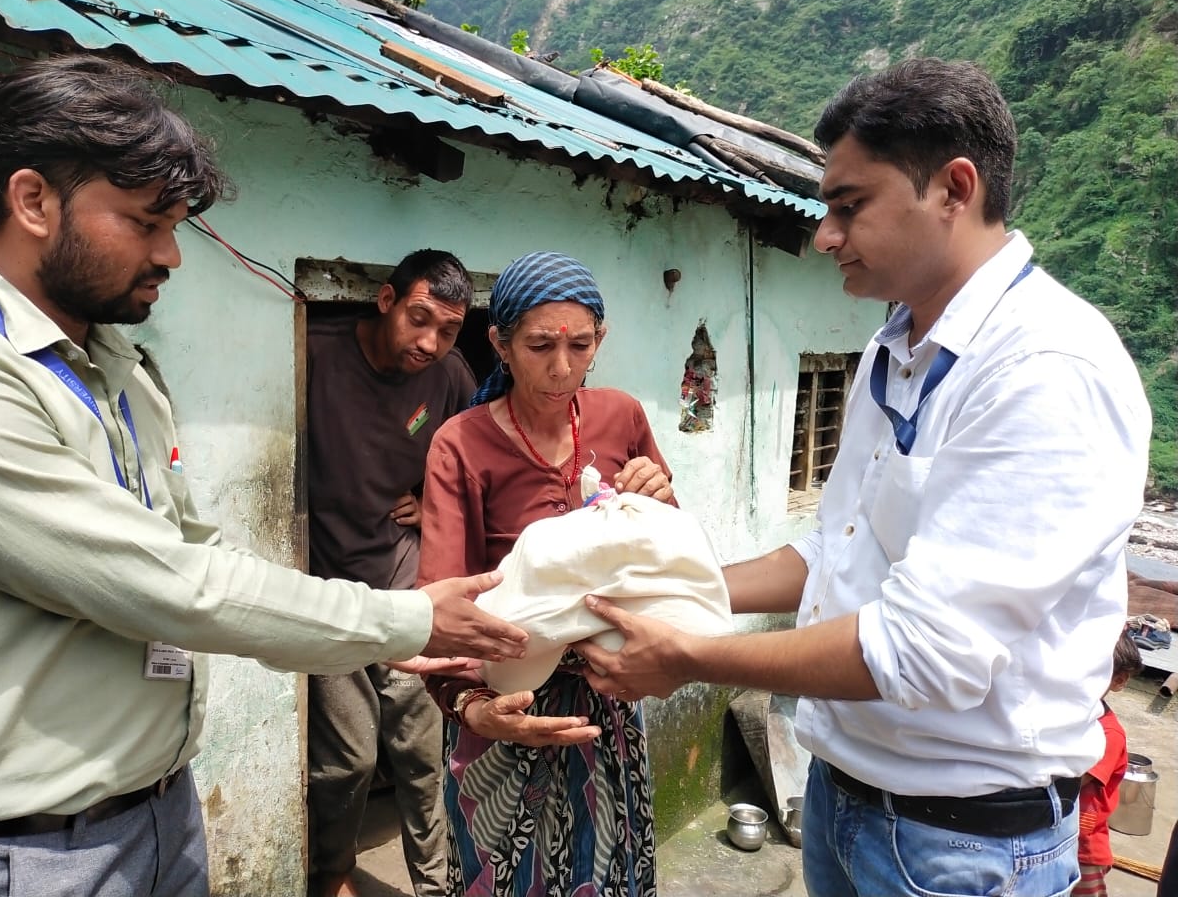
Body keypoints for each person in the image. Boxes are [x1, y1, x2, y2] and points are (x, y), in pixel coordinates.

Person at [0, 54, 528, 897]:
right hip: (21, 856)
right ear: (33, 201)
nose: (172, 255)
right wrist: (412, 619)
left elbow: (189, 550)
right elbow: (165, 582)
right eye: (147, 222)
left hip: (159, 814)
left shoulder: (118, 368)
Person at [573, 57, 1153, 897]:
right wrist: (679, 581)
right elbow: (837, 547)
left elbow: (927, 651)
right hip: (849, 804)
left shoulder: (1044, 368)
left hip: (959, 844)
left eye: (850, 206)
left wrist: (692, 656)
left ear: (954, 188)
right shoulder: (896, 348)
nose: (825, 236)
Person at [416, 250, 675, 897]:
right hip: (508, 701)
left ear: (599, 339)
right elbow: (441, 602)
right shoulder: (461, 444)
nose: (562, 368)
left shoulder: (623, 417)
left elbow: (665, 548)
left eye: (581, 345)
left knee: (610, 873)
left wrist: (661, 498)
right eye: (538, 347)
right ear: (499, 343)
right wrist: (472, 706)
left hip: (610, 701)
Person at [305, 249, 477, 897]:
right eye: (419, 318)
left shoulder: (450, 376)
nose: (430, 342)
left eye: (449, 329)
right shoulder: (316, 357)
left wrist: (433, 498)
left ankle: (434, 887)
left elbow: (477, 450)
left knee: (422, 758)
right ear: (385, 301)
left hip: (408, 592)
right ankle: (332, 877)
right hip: (329, 595)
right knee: (347, 761)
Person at [1074, 630, 1143, 897]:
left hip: (1085, 848)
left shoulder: (1109, 734)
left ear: (1119, 680)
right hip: (1059, 837)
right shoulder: (1073, 718)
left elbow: (1076, 779)